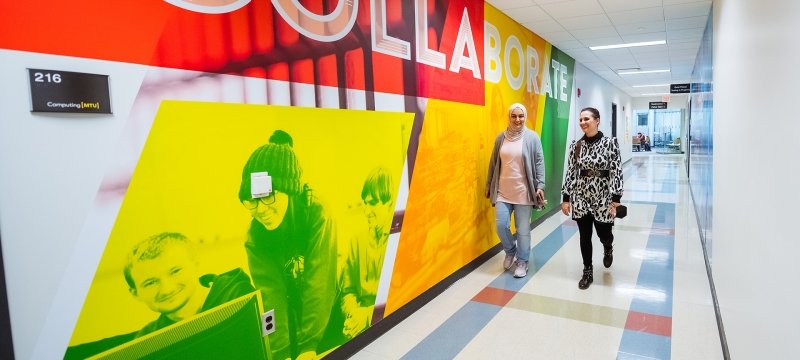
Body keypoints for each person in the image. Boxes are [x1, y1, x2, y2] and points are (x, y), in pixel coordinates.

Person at [64, 232, 256, 359]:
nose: (166, 288)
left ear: (196, 264)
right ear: (135, 293)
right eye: (150, 282)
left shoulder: (245, 298)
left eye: (175, 271)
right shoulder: (148, 341)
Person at [239, 130, 337, 360]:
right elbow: (270, 297)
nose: (260, 209)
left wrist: (308, 346)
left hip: (328, 315)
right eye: (251, 200)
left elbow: (319, 281)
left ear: (289, 190)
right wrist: (280, 352)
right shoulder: (255, 236)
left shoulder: (316, 212)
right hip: (289, 325)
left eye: (269, 195)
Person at [561, 107, 623, 290]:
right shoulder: (576, 145)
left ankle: (608, 246)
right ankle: (587, 270)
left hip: (603, 196)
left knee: (604, 233)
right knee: (584, 236)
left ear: (597, 120)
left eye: (586, 119)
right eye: (580, 120)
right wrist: (566, 198)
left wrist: (616, 197)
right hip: (581, 196)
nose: (583, 123)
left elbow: (616, 170)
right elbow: (571, 172)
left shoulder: (610, 143)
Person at [485, 103, 546, 278]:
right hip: (503, 191)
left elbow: (539, 163)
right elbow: (493, 163)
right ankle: (510, 251)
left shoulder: (532, 138)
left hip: (524, 192)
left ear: (524, 117)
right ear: (509, 117)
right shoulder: (500, 138)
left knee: (523, 229)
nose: (518, 120)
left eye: (521, 116)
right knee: (501, 225)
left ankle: (522, 260)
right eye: (514, 116)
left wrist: (540, 186)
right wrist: (489, 185)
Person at [340, 167, 395, 339]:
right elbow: (346, 291)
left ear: (389, 203)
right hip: (359, 324)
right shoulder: (356, 241)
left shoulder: (398, 238)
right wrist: (353, 313)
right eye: (365, 202)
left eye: (373, 203)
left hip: (390, 321)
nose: (366, 210)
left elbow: (401, 294)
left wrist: (367, 316)